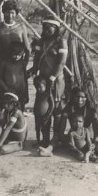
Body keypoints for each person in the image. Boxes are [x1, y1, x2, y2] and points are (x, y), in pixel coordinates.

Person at [29, 17, 68, 145]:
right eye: (45, 27)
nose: (47, 30)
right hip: (43, 81)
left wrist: (52, 77)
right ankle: (45, 139)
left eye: (50, 27)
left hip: (56, 81)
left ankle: (55, 139)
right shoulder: (41, 41)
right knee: (43, 110)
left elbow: (61, 62)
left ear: (56, 28)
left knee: (56, 109)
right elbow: (37, 58)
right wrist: (34, 69)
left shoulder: (61, 42)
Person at [0, 0, 30, 69]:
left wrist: (25, 63)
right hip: (2, 64)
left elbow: (28, 49)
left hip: (18, 65)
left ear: (16, 13)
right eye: (7, 12)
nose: (10, 16)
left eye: (12, 13)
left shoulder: (21, 27)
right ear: (3, 12)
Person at [0, 41, 30, 111]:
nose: (17, 57)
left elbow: (25, 79)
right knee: (7, 109)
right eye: (15, 54)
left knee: (20, 109)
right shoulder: (4, 63)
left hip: (21, 91)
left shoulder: (22, 63)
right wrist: (6, 89)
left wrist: (26, 93)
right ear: (10, 53)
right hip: (8, 91)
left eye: (19, 55)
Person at [33, 76, 54, 149]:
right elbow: (36, 102)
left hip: (46, 116)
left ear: (45, 85)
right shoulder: (37, 93)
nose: (38, 89)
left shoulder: (48, 93)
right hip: (37, 115)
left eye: (40, 87)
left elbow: (52, 105)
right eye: (36, 87)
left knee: (45, 129)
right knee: (37, 128)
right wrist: (34, 110)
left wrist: (48, 114)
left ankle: (46, 142)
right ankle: (38, 141)